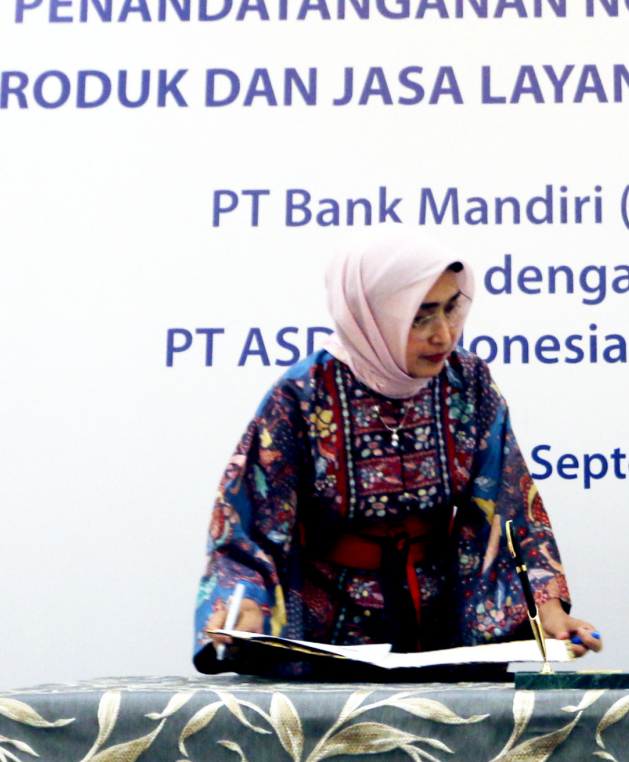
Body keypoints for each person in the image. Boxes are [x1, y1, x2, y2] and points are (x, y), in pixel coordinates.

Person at [193, 232, 602, 671]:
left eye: (451, 309)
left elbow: (506, 504)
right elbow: (249, 525)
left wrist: (543, 606)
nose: (443, 334)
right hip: (325, 633)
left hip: (443, 623)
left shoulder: (467, 381)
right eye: (419, 317)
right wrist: (244, 605)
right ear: (370, 317)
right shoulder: (304, 393)